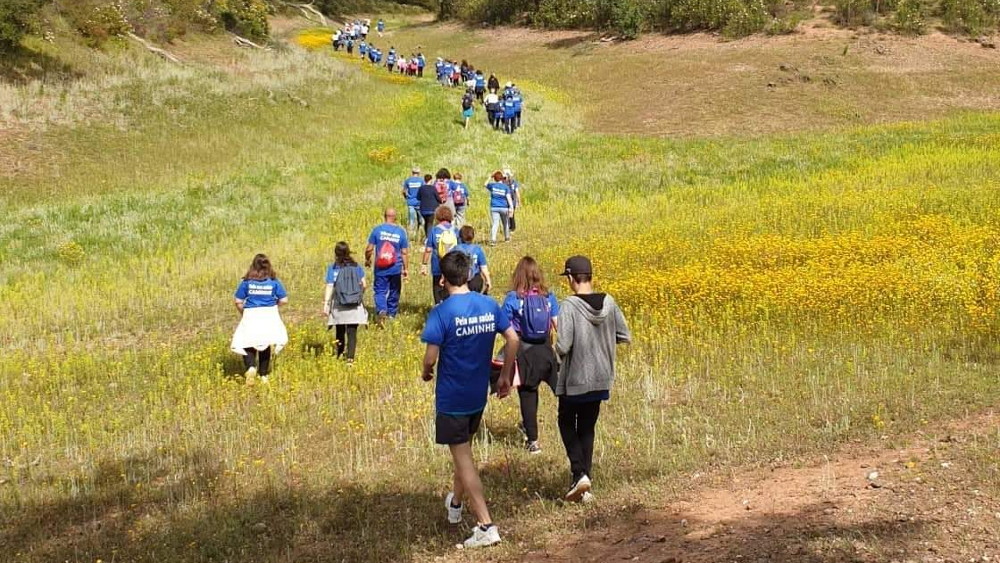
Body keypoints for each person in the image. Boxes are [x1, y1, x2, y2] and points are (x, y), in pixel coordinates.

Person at [421, 251, 519, 549]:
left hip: (452, 398)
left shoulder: (441, 312)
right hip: (478, 396)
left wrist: (426, 371)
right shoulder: (489, 304)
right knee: (462, 454)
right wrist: (505, 374)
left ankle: (486, 525)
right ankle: (455, 505)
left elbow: (430, 358)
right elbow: (513, 339)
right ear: (469, 275)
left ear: (443, 279)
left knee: (464, 458)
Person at [554, 255, 631, 502]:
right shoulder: (609, 302)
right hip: (601, 377)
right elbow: (624, 334)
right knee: (587, 427)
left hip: (575, 379)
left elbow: (564, 345)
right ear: (590, 276)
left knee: (566, 422)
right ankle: (584, 483)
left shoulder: (568, 306)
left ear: (570, 278)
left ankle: (579, 473)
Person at [501, 257, 560, 454]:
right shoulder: (548, 297)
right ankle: (575, 423)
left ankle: (533, 441)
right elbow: (557, 325)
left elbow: (503, 327)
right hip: (546, 350)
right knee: (562, 389)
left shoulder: (512, 298)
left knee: (528, 395)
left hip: (524, 352)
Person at [231, 254, 289, 384]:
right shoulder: (273, 281)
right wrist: (275, 306)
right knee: (265, 343)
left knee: (247, 342)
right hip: (269, 314)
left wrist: (243, 312)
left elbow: (238, 301)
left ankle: (251, 366)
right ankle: (263, 375)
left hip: (251, 313)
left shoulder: (247, 282)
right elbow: (284, 300)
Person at [324, 242, 369, 364]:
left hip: (339, 303)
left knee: (339, 330)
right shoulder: (356, 267)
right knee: (352, 332)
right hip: (354, 303)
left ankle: (339, 353)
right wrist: (358, 295)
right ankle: (350, 359)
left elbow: (329, 286)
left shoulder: (333, 268)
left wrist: (326, 304)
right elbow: (364, 285)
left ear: (335, 254)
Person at [364, 208, 409, 323]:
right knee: (395, 290)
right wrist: (406, 268)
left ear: (384, 216)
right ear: (395, 217)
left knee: (380, 290)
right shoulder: (401, 232)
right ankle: (391, 314)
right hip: (395, 267)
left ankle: (381, 310)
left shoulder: (377, 230)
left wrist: (367, 259)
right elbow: (404, 252)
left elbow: (369, 249)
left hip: (381, 267)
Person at [421, 205, 459, 304]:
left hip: (437, 265)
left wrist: (424, 264)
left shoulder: (434, 230)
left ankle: (438, 306)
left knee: (437, 287)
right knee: (451, 287)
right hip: (452, 264)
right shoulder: (455, 231)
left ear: (438, 216)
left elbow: (428, 249)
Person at [456, 225, 491, 294]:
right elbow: (483, 267)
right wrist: (488, 280)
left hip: (460, 280)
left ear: (460, 237)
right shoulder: (477, 249)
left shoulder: (455, 249)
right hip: (475, 280)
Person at [485, 170, 513, 245]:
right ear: (502, 178)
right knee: (505, 223)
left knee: (495, 223)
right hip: (504, 208)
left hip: (494, 207)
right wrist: (511, 208)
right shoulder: (505, 187)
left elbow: (485, 184)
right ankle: (507, 238)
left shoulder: (492, 186)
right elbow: (509, 198)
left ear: (494, 179)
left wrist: (490, 176)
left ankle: (493, 240)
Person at [417, 173, 440, 239]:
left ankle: (427, 236)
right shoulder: (433, 188)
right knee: (430, 223)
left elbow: (418, 197)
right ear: (431, 180)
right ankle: (429, 238)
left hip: (423, 209)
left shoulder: (421, 188)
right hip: (432, 209)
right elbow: (438, 198)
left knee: (426, 223)